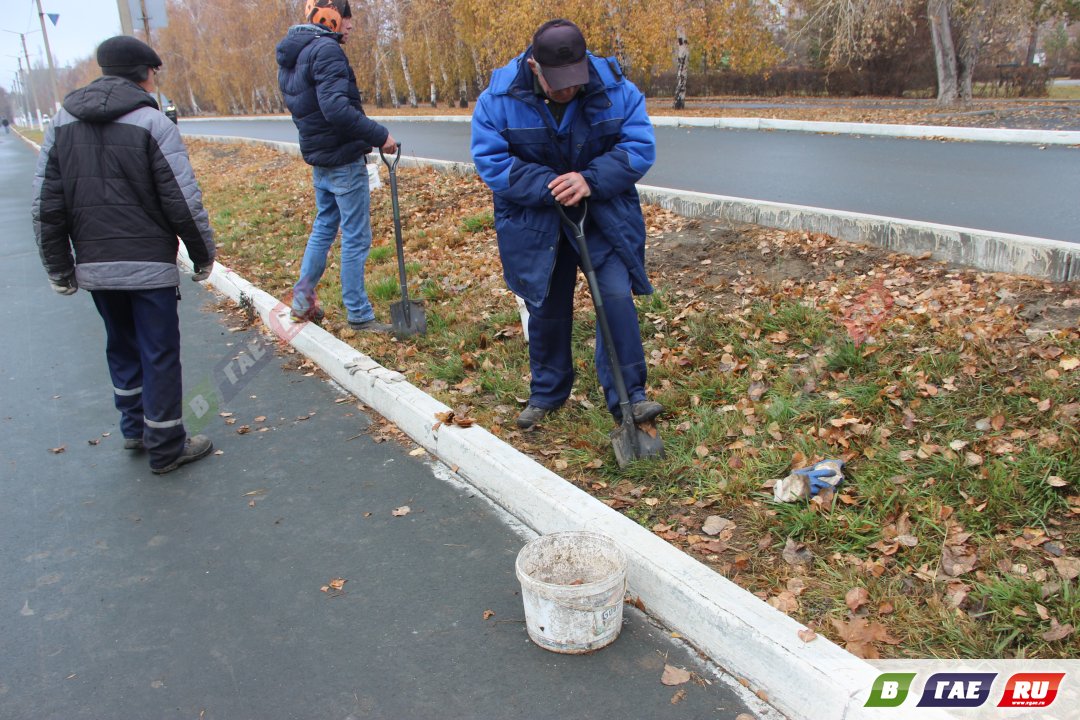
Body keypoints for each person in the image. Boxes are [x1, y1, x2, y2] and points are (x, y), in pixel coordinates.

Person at [32, 35, 216, 475]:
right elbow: (182, 201)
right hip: (149, 265)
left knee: (121, 345)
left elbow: (47, 204)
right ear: (145, 74)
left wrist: (59, 267)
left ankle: (135, 428)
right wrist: (202, 254)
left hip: (96, 265)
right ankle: (167, 445)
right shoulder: (153, 124)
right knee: (159, 352)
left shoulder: (61, 123)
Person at [471, 18, 664, 430]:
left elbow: (639, 146)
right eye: (558, 82)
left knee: (615, 299)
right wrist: (548, 185)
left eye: (574, 80)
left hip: (602, 215)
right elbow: (492, 162)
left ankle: (629, 397)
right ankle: (547, 394)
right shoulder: (498, 98)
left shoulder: (615, 89)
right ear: (534, 66)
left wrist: (588, 180)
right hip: (536, 221)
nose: (568, 90)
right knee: (547, 307)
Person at [276, 0, 397, 332]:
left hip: (321, 159)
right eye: (346, 18)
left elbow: (309, 109)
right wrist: (380, 135)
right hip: (343, 159)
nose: (351, 25)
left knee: (324, 228)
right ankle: (359, 314)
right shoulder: (325, 51)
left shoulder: (292, 54)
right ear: (328, 18)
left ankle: (301, 303)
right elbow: (335, 109)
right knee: (356, 237)